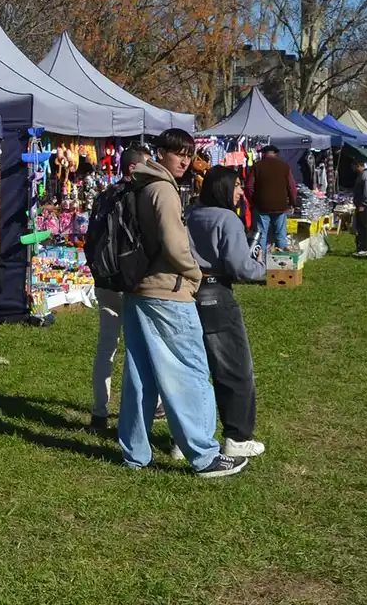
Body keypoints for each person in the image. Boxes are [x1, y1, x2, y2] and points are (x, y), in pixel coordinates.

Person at [117, 128, 247, 478]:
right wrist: (194, 275)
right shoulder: (163, 189)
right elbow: (175, 246)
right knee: (189, 370)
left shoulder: (139, 184)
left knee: (141, 375)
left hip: (139, 289)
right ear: (160, 153)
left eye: (189, 153)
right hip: (167, 291)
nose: (184, 159)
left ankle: (135, 452)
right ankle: (204, 455)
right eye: (177, 152)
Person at [187, 165, 268, 458]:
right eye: (236, 186)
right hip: (217, 295)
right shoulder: (227, 220)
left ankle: (187, 438)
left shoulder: (191, 214)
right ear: (222, 188)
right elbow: (241, 267)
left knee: (193, 369)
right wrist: (262, 266)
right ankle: (237, 437)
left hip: (189, 294)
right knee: (234, 370)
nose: (240, 192)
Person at [88, 144, 150, 431]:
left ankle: (99, 411)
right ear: (133, 168)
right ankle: (137, 410)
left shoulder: (103, 197)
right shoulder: (140, 195)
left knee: (106, 347)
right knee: (139, 348)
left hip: (104, 279)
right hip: (132, 281)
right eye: (147, 164)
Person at [244, 144, 297, 252]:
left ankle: (260, 263)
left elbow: (249, 187)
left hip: (261, 206)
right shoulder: (284, 167)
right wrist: (293, 202)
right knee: (281, 235)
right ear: (276, 154)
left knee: (261, 236)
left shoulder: (257, 166)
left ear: (263, 154)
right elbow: (292, 187)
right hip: (281, 205)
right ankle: (281, 263)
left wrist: (253, 201)